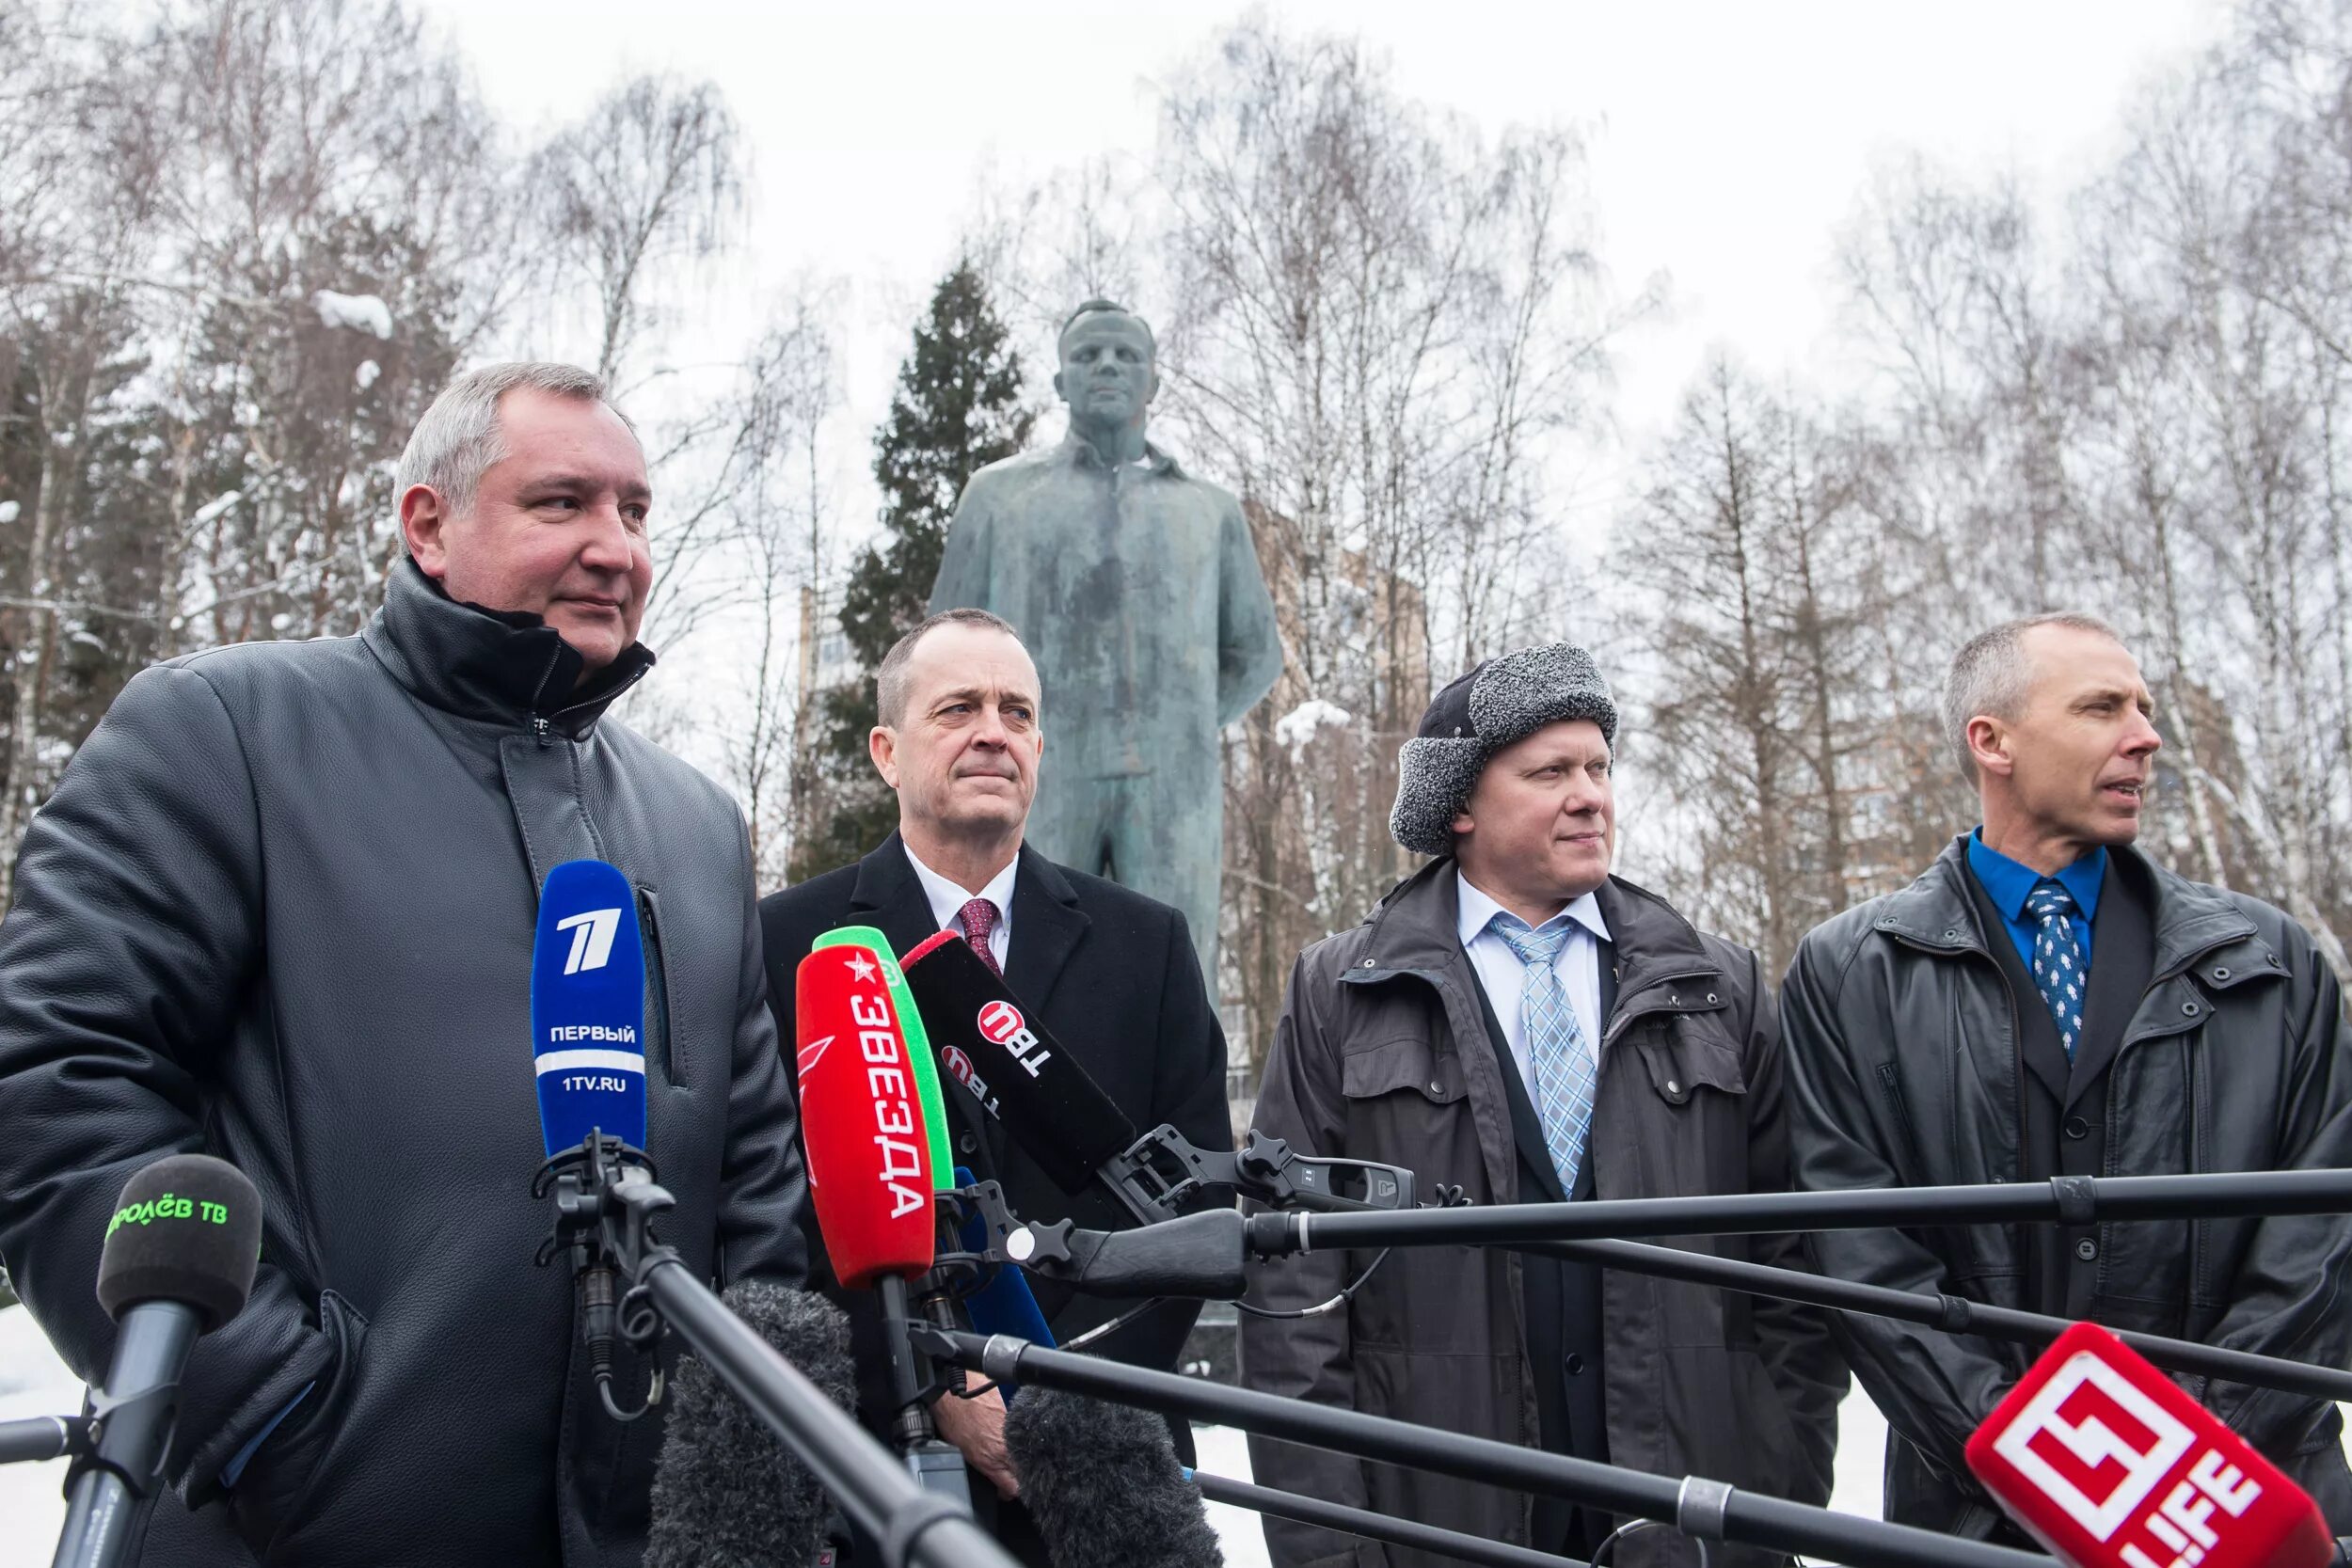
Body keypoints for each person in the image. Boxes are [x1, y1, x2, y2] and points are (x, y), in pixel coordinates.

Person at [0, 363, 808, 1566]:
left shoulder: (696, 826)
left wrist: (741, 1488)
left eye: (635, 512)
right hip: (281, 1530)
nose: (616, 548)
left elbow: (758, 1197)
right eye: (562, 503)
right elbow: (56, 1084)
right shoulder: (227, 729)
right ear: (427, 524)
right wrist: (272, 1413)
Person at [1242, 642, 1846, 1568]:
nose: (1589, 793)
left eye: (1599, 766)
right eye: (1550, 770)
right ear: (1460, 806)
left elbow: (1796, 1268)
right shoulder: (1342, 989)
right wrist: (1331, 1549)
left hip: (1690, 1517)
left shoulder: (1718, 985)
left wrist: (1773, 1494)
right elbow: (1292, 1292)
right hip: (1438, 1522)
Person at [1782, 611, 2352, 1540]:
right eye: (2101, 707)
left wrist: (2178, 1472)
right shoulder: (1850, 971)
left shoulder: (2272, 958)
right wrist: (2041, 1470)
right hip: (1976, 1519)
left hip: (2247, 1508)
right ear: (1991, 740)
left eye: (2144, 707)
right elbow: (1859, 1256)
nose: (2146, 735)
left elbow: (2320, 1245)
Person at [759, 608, 1230, 1563]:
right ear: (887, 751)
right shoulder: (786, 945)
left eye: (1016, 711)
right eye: (959, 707)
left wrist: (1059, 1405)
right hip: (877, 1473)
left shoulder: (1148, 945)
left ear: (1040, 748)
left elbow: (1197, 1209)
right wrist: (935, 1381)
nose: (992, 730)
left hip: (1108, 1477)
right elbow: (766, 1213)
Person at [930, 298, 1282, 988]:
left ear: (1153, 381)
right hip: (1037, 771)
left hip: (1176, 789)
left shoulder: (1208, 510)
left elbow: (1255, 653)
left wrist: (1178, 720)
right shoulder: (998, 498)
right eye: (1088, 355)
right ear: (1060, 381)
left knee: (1181, 979)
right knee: (1024, 966)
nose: (1108, 366)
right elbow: (944, 648)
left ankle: (1184, 1102)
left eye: (1126, 355)